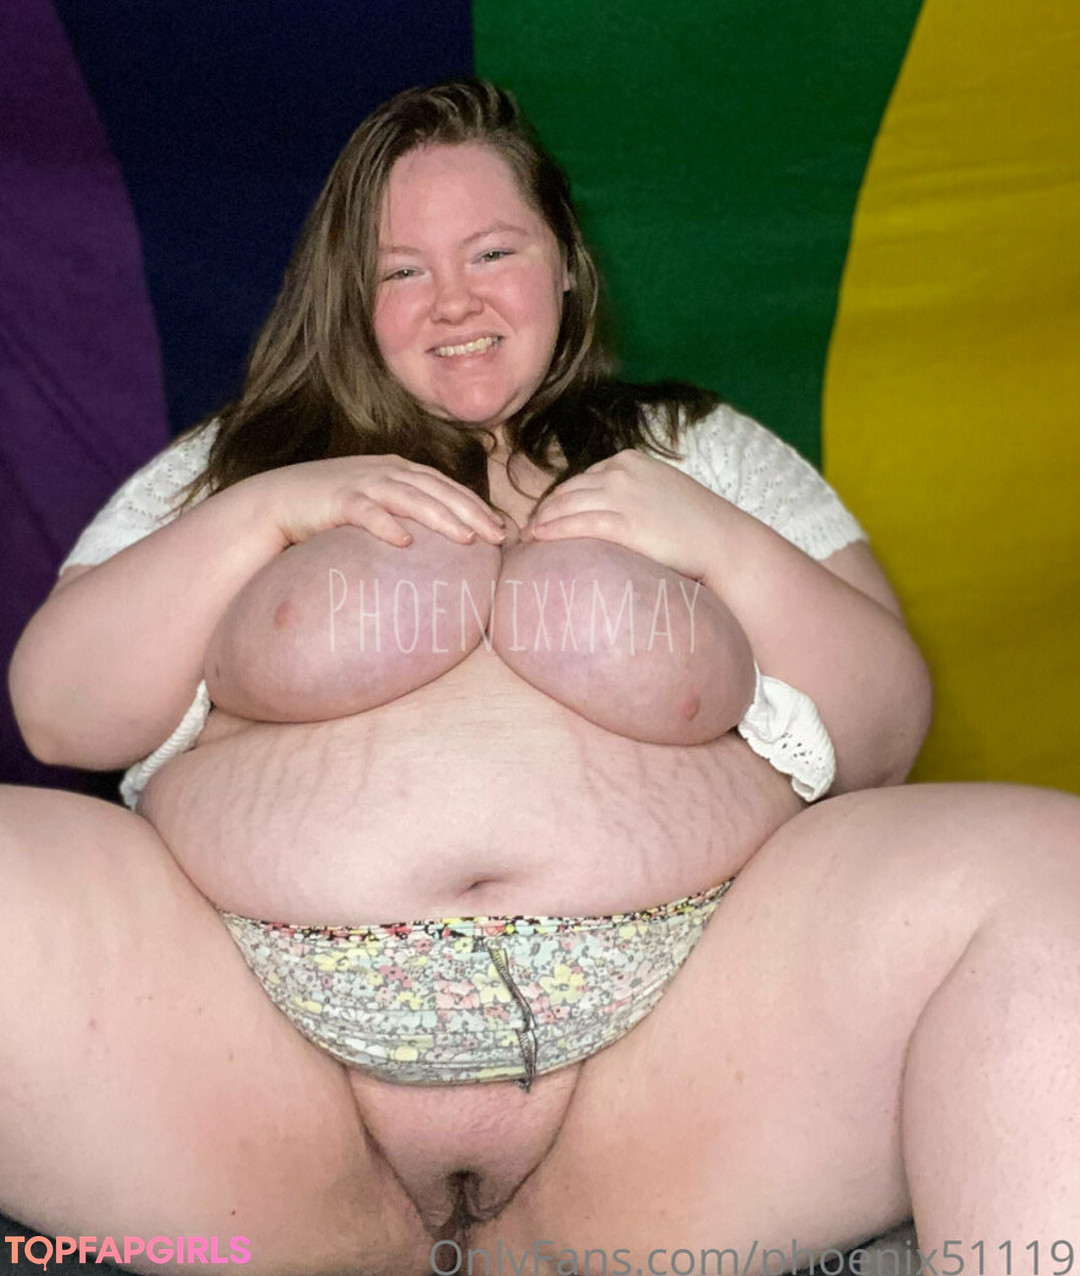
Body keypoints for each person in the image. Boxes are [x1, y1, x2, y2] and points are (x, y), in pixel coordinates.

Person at [6, 78, 1080, 1275]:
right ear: (351, 297)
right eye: (402, 270)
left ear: (565, 261)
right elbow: (59, 713)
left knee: (1049, 871)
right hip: (251, 1085)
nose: (454, 300)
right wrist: (265, 509)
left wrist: (716, 539)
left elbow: (886, 728)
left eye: (492, 251)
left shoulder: (695, 443)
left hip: (682, 1081)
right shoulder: (234, 459)